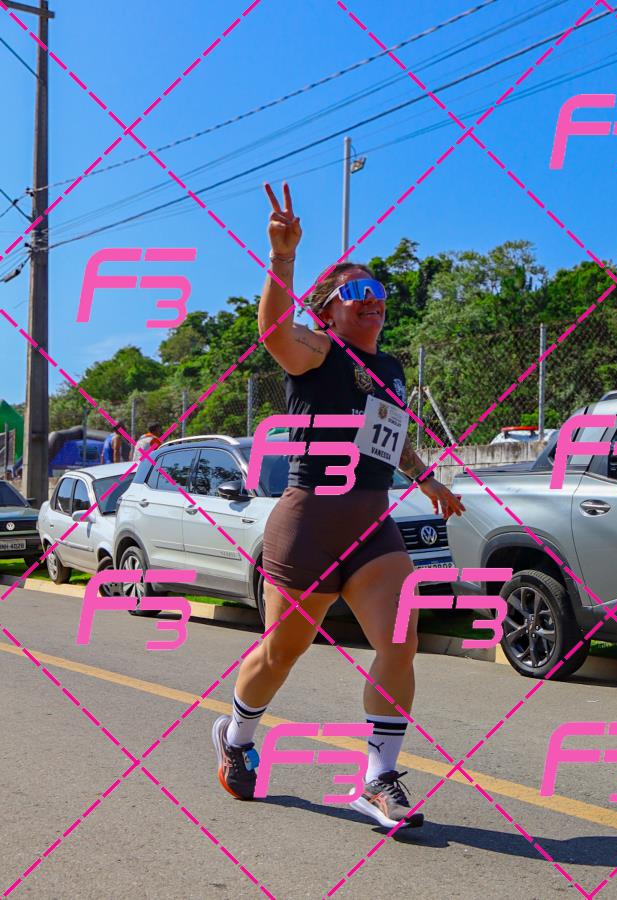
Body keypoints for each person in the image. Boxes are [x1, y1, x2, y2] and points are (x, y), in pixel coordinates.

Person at [211, 182, 465, 830]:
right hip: (309, 524)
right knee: (282, 653)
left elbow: (390, 437)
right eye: (358, 293)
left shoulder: (393, 369)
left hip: (371, 523)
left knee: (401, 639)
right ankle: (235, 737)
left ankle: (379, 778)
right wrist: (283, 258)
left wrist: (427, 480)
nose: (374, 300)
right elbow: (273, 330)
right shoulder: (319, 352)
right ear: (326, 311)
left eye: (378, 290)